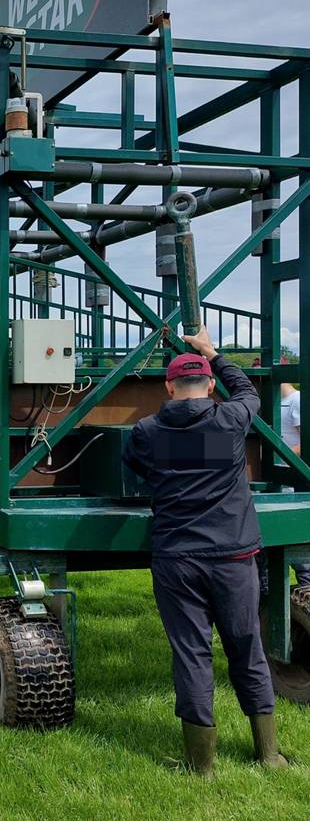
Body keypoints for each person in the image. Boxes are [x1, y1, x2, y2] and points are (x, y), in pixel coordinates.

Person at [122, 327, 287, 777]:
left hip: (178, 558)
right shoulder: (230, 420)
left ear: (169, 387)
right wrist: (214, 354)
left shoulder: (147, 432)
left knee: (192, 653)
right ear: (209, 386)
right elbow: (247, 390)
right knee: (246, 649)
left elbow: (135, 467)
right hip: (234, 557)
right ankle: (269, 755)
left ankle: (201, 766)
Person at [280, 382, 309, 587]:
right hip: (282, 480)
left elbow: (305, 440)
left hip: (292, 480)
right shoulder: (279, 402)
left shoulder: (296, 400)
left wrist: (280, 457)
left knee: (303, 560)